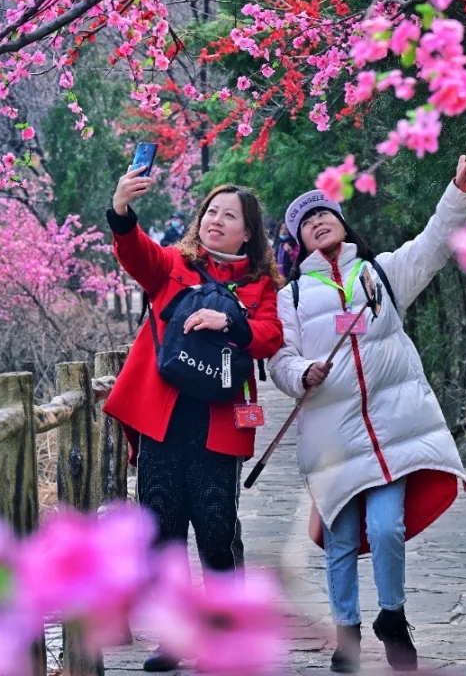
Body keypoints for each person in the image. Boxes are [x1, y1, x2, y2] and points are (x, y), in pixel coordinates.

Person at [269, 148, 466, 673]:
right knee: (341, 539)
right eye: (306, 221)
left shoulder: (382, 275)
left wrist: (457, 193)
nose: (318, 222)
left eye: (325, 214)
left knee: (387, 528)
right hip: (332, 439)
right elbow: (280, 357)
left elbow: (434, 245)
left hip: (391, 431)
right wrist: (300, 373)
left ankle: (393, 616)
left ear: (342, 224)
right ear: (298, 242)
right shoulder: (292, 298)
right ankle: (347, 633)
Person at [104, 167, 284, 672]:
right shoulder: (174, 266)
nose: (216, 221)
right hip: (163, 418)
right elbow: (135, 253)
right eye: (211, 212)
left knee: (214, 526)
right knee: (162, 526)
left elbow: (270, 335)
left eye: (229, 216)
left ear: (248, 231)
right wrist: (121, 210)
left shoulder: (259, 284)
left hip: (217, 420)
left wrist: (231, 319)